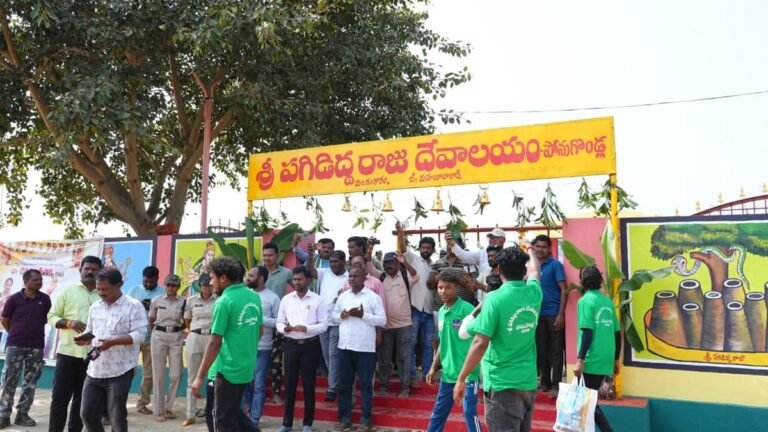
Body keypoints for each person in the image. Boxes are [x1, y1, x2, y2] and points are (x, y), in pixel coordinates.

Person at [454, 245, 542, 432]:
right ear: (524, 270)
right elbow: (536, 271)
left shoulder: (494, 299)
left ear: (499, 269)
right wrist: (530, 249)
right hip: (527, 382)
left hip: (502, 384)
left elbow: (480, 342)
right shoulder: (534, 293)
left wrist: (461, 378)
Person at [191, 256, 262, 432]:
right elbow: (259, 331)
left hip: (226, 371)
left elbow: (214, 343)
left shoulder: (224, 301)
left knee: (222, 420)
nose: (211, 282)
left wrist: (199, 377)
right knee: (233, 413)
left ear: (223, 278)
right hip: (245, 367)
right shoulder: (254, 297)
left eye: (212, 278)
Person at [78, 268, 147, 432]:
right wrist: (85, 338)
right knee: (87, 415)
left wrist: (113, 342)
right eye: (99, 289)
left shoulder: (133, 306)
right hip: (95, 370)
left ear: (119, 285)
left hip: (120, 371)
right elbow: (90, 331)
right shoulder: (95, 307)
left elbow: (140, 335)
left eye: (106, 289)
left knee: (116, 417)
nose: (101, 293)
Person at [47, 255, 103, 432]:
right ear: (80, 270)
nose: (90, 272)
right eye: (87, 268)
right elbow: (51, 316)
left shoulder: (104, 295)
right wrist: (70, 323)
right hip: (67, 353)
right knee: (60, 397)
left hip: (92, 356)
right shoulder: (68, 291)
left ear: (100, 272)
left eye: (94, 269)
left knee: (82, 400)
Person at [426, 269, 481, 432]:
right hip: (448, 373)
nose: (443, 291)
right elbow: (443, 342)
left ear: (456, 287)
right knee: (438, 414)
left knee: (469, 412)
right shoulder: (442, 311)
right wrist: (433, 367)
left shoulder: (467, 309)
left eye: (447, 287)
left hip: (468, 373)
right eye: (440, 287)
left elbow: (480, 339)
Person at [276, 266, 328, 432]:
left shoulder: (317, 300)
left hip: (310, 346)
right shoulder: (286, 300)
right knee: (289, 385)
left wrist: (307, 329)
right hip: (290, 345)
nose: (296, 282)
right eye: (294, 279)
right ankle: (287, 424)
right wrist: (284, 329)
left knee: (308, 385)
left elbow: (324, 324)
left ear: (309, 280)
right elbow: (279, 322)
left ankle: (307, 424)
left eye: (300, 279)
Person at [334, 267, 386, 431]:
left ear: (364, 277)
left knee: (365, 385)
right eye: (350, 276)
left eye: (356, 276)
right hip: (345, 346)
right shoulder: (343, 296)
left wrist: (363, 315)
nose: (352, 279)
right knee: (344, 385)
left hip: (365, 348)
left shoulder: (373, 297)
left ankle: (366, 419)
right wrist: (341, 316)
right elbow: (333, 316)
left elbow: (382, 320)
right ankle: (344, 418)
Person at [0, 269, 51, 428]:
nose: (39, 282)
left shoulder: (45, 299)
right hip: (15, 345)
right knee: (9, 380)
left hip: (36, 346)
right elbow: (5, 320)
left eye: (40, 280)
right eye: (35, 280)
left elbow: (44, 319)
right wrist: (16, 333)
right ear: (26, 281)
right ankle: (3, 415)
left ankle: (22, 414)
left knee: (30, 382)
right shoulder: (14, 299)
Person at [573, 265, 620, 432]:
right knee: (589, 402)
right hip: (606, 357)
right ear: (600, 281)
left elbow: (587, 332)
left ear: (582, 282)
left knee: (588, 403)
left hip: (592, 358)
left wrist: (580, 359)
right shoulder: (607, 302)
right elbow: (617, 333)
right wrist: (615, 359)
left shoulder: (585, 301)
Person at [367, 252, 418, 397]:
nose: (388, 265)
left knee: (404, 358)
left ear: (397, 264)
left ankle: (405, 388)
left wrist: (405, 262)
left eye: (391, 262)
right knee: (384, 359)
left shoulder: (405, 276)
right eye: (386, 262)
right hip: (385, 326)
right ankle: (384, 387)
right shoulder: (381, 277)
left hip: (404, 325)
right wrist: (369, 249)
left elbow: (416, 276)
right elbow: (368, 266)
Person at [396, 225, 437, 388]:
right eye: (423, 247)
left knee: (428, 344)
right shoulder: (413, 259)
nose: (425, 250)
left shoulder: (435, 266)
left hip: (429, 310)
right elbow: (403, 248)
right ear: (419, 248)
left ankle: (427, 374)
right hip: (415, 308)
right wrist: (401, 234)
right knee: (411, 343)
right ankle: (412, 375)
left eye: (428, 248)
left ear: (432, 250)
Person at [306, 249, 348, 402]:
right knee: (327, 356)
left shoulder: (348, 277)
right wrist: (310, 255)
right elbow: (310, 271)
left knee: (333, 354)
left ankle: (332, 388)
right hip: (323, 322)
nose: (333, 265)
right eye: (331, 262)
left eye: (336, 262)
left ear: (343, 261)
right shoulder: (325, 273)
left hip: (338, 322)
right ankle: (337, 382)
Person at [242, 265, 279, 427]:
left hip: (263, 348)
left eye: (251, 276)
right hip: (244, 347)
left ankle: (255, 418)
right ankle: (248, 412)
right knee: (244, 383)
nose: (247, 278)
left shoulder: (273, 298)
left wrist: (259, 319)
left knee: (258, 384)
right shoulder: (244, 295)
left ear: (261, 279)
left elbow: (279, 322)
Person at [125, 266, 164, 415]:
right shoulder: (134, 291)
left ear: (157, 279)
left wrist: (152, 307)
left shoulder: (163, 293)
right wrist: (139, 305)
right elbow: (125, 310)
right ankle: (119, 402)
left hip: (151, 338)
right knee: (127, 371)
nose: (148, 284)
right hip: (132, 338)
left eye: (151, 282)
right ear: (142, 278)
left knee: (149, 374)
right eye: (146, 281)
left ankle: (142, 403)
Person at [532, 234, 567, 397]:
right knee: (541, 349)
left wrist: (561, 314)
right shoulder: (531, 266)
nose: (540, 249)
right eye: (538, 246)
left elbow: (564, 289)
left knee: (556, 351)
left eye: (544, 247)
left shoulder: (555, 265)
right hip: (537, 314)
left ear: (549, 249)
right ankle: (544, 382)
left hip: (553, 313)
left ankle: (556, 385)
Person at [148, 274, 185, 422]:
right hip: (159, 336)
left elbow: (186, 320)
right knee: (159, 374)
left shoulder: (184, 301)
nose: (171, 288)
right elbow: (151, 318)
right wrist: (155, 333)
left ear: (178, 287)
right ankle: (159, 410)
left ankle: (169, 408)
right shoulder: (157, 300)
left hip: (176, 336)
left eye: (174, 285)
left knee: (177, 373)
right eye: (168, 285)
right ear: (165, 285)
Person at [181, 274, 216, 427]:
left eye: (209, 285)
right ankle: (190, 415)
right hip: (195, 337)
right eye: (204, 285)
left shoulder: (219, 300)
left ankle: (212, 411)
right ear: (200, 286)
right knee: (192, 377)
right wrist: (195, 330)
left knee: (213, 377)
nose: (207, 287)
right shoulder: (191, 300)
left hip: (213, 338)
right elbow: (187, 320)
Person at [262, 242, 292, 404]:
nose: (267, 258)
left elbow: (300, 288)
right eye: (265, 255)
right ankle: (256, 394)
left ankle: (275, 393)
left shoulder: (286, 273)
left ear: (277, 255)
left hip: (277, 322)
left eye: (270, 255)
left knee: (276, 359)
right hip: (258, 323)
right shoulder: (257, 272)